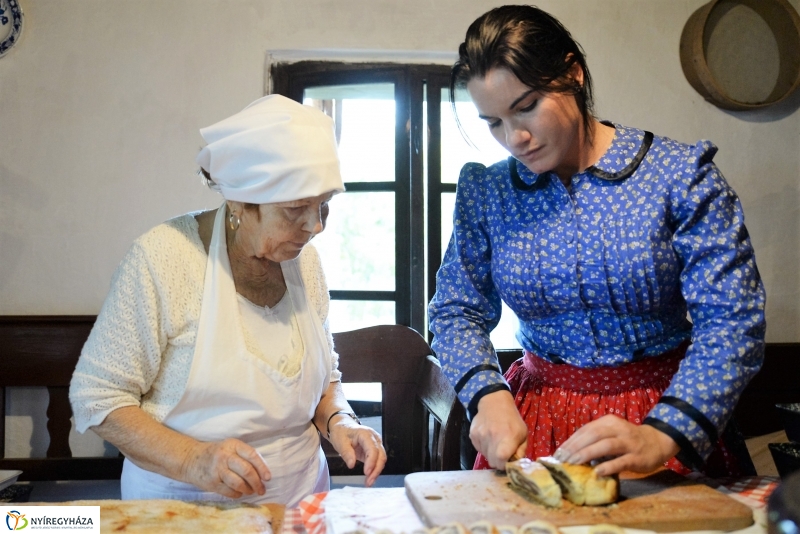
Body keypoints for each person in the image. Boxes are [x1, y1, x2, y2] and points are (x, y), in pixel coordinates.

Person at [429, 5, 766, 478]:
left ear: (573, 73)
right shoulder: (488, 194)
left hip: (661, 419)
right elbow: (455, 309)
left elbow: (733, 319)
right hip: (534, 426)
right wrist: (487, 394)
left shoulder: (677, 178)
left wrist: (665, 433)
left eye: (526, 106)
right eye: (494, 122)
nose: (515, 137)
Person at [69, 95, 386, 507]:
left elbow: (324, 380)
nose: (316, 226)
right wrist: (193, 460)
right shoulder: (164, 259)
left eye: (324, 205)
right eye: (296, 209)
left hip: (301, 508)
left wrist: (340, 420)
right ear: (239, 202)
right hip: (182, 513)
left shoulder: (304, 262)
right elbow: (97, 396)